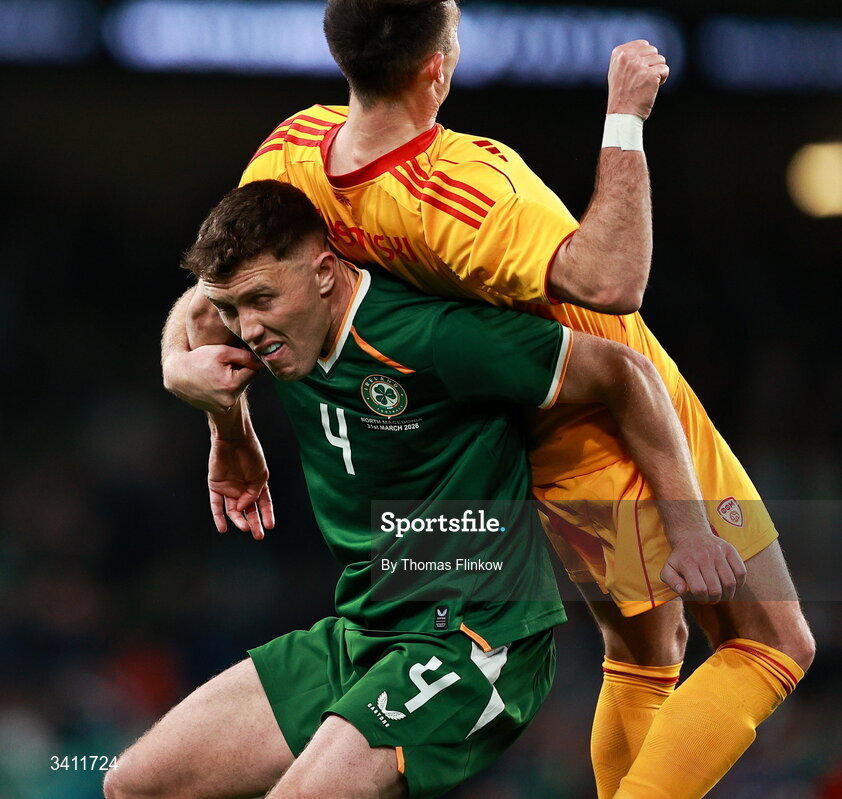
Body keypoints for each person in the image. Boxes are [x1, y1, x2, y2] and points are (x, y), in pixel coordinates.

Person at [161, 0, 814, 799]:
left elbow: (212, 297)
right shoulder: (465, 186)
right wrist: (625, 114)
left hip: (533, 438)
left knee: (648, 653)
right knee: (773, 643)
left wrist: (188, 376)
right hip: (608, 421)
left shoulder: (293, 156)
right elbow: (613, 281)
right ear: (439, 67)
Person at [108, 180, 741, 799]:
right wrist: (224, 424)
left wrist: (689, 533)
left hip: (478, 638)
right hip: (365, 629)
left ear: (325, 272)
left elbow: (626, 373)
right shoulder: (278, 324)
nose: (244, 330)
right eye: (230, 311)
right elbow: (196, 312)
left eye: (260, 301)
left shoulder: (430, 337)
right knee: (133, 783)